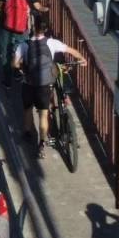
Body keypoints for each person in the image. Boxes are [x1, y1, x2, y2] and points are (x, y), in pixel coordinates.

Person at [12, 16, 85, 158]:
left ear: (33, 27)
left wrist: (22, 67)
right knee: (43, 114)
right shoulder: (52, 42)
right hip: (44, 85)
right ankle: (41, 143)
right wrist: (82, 59)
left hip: (28, 83)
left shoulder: (24, 45)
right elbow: (71, 51)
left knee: (28, 109)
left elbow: (14, 64)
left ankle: (27, 132)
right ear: (45, 29)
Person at [0, 0, 45, 89]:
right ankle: (19, 73)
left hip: (6, 25)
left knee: (5, 53)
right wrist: (45, 8)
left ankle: (7, 81)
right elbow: (37, 6)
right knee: (22, 51)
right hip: (22, 27)